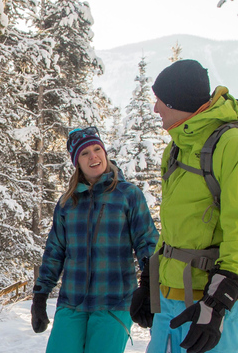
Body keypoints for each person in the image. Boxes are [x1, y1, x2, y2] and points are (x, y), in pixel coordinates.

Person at [129, 59, 238, 353]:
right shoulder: (178, 147)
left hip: (210, 305)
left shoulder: (233, 146)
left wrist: (216, 306)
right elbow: (175, 229)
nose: (156, 109)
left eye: (160, 101)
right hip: (170, 302)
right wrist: (148, 282)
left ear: (178, 102)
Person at [31, 126, 158, 353]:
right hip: (72, 301)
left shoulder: (128, 195)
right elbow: (55, 252)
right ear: (76, 162)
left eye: (97, 149)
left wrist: (150, 286)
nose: (93, 156)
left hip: (115, 301)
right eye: (85, 153)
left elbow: (147, 242)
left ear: (105, 153)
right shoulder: (67, 203)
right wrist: (40, 296)